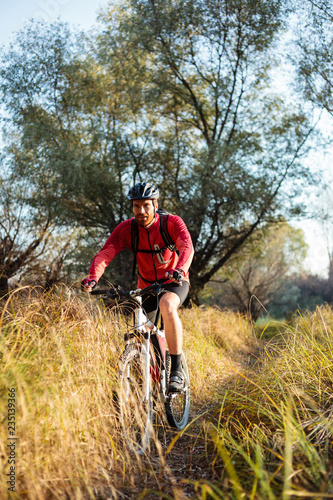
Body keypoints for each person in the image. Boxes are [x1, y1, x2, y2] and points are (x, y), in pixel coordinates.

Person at [81, 182, 194, 392]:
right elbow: (106, 252)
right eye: (136, 206)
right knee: (140, 329)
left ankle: (177, 370)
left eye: (146, 205)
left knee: (167, 305)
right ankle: (151, 380)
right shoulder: (127, 229)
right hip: (146, 286)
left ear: (155, 205)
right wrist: (92, 277)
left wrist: (179, 269)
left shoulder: (171, 223)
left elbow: (186, 246)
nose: (141, 211)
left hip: (175, 281)